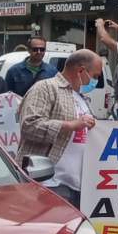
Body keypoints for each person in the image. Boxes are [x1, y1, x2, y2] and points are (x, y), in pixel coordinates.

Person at [19, 49, 100, 206]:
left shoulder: (81, 98)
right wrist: (70, 125)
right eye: (95, 76)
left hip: (77, 185)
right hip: (50, 183)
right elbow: (29, 126)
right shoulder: (45, 88)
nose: (95, 81)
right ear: (81, 71)